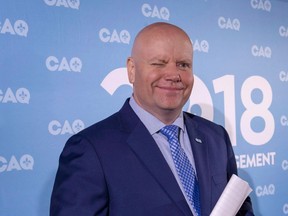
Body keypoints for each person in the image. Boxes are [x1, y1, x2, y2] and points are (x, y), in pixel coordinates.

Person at [50, 22, 254, 216]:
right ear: (131, 70)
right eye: (159, 63)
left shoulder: (216, 137)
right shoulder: (90, 150)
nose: (173, 74)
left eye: (183, 65)